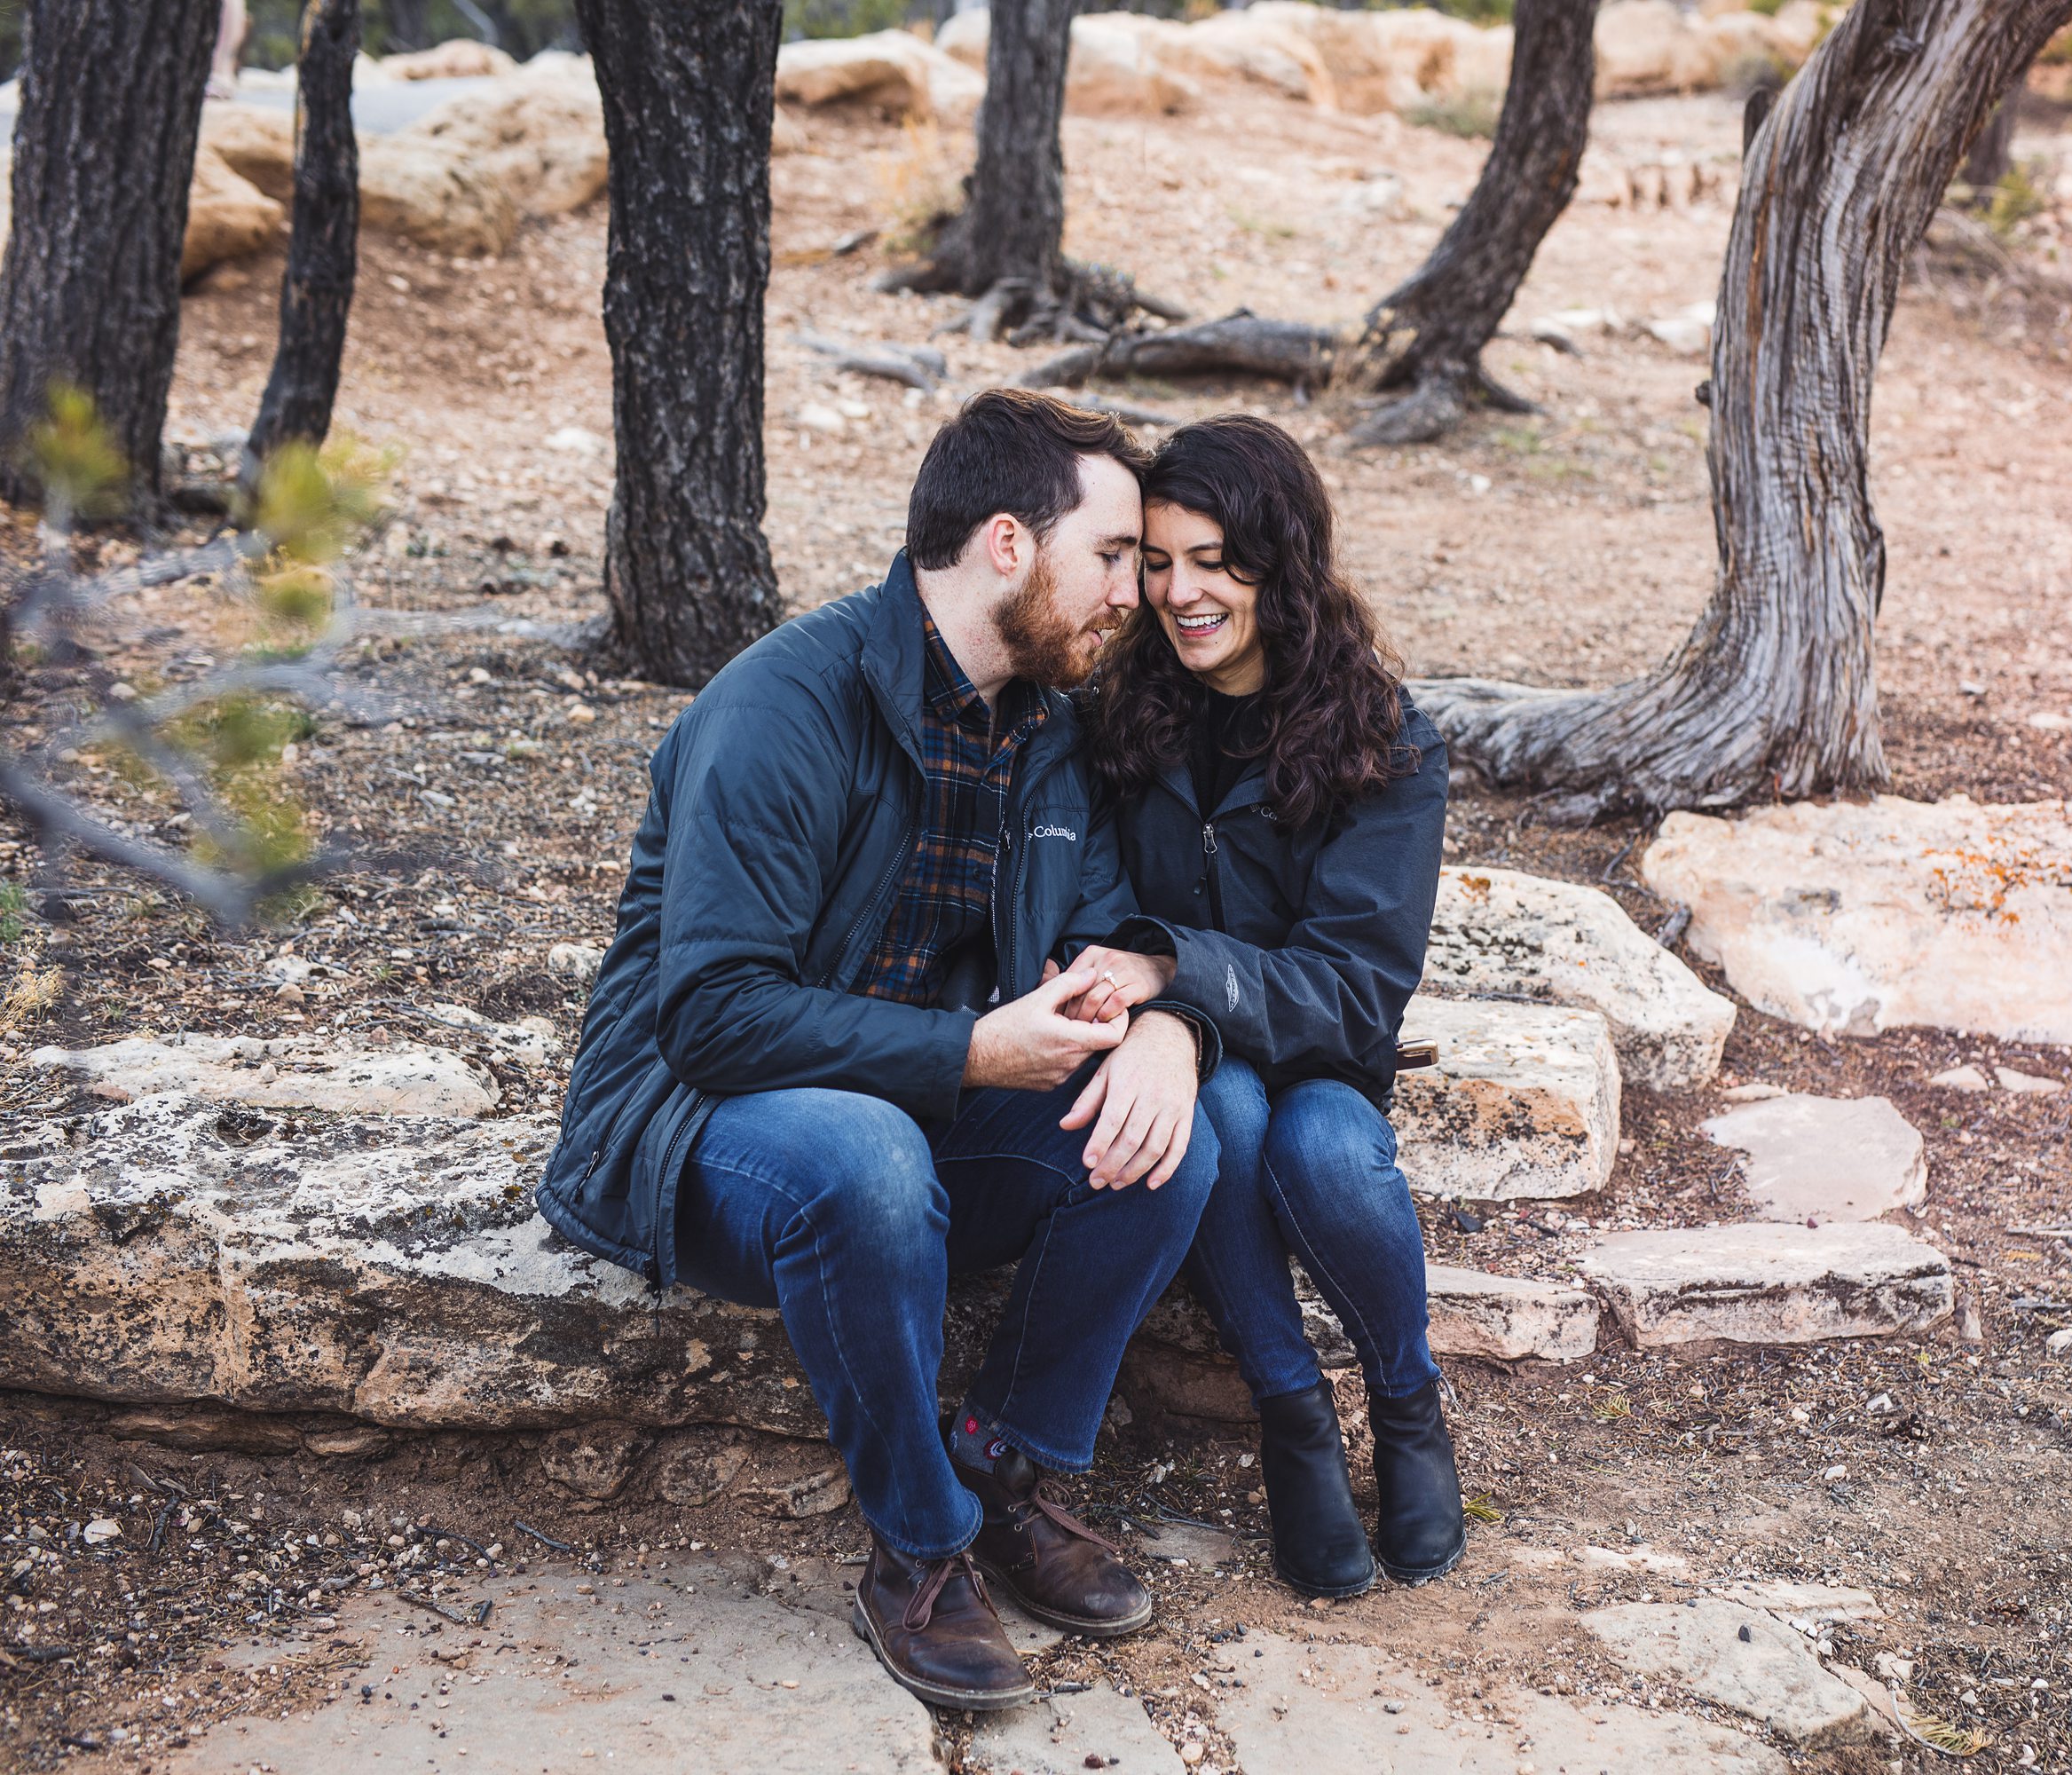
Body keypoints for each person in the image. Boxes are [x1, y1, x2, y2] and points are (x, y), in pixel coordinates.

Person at [540, 390, 1219, 1712]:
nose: (1133, 593)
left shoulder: (1047, 730)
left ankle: (1005, 1467)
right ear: (1010, 546)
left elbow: (1095, 943)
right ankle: (921, 1548)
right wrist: (970, 1049)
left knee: (1171, 1138)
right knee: (868, 1154)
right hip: (693, 1123)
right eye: (1115, 556)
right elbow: (714, 1015)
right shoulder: (785, 703)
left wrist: (1153, 1028)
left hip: (911, 1115)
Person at [1086, 414, 1463, 1598]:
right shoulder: (1114, 714)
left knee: (1321, 1144)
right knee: (1225, 1120)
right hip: (1185, 1061)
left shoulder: (1383, 738)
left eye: (1214, 562)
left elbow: (1357, 990)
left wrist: (1173, 979)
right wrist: (1170, 1010)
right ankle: (1290, 1407)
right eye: (1156, 560)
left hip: (1323, 1058)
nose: (1178, 593)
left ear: (1281, 561)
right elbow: (1083, 913)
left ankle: (1405, 1403)